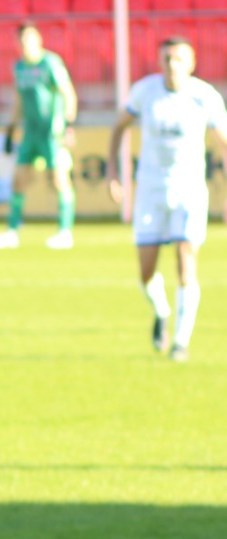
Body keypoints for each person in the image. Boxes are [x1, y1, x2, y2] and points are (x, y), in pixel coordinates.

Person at [108, 36, 227, 362]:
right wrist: (112, 172)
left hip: (189, 190)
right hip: (150, 190)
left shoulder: (205, 96)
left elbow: (224, 143)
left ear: (191, 63)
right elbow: (119, 127)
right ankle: (161, 310)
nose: (172, 65)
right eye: (166, 59)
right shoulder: (144, 92)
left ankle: (180, 342)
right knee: (146, 272)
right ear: (159, 62)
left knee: (186, 263)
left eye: (178, 59)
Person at [0, 23, 78, 251]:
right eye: (20, 41)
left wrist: (68, 126)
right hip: (30, 132)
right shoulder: (19, 68)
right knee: (18, 180)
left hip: (52, 132)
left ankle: (65, 231)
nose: (24, 45)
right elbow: (19, 100)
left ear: (38, 40)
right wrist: (10, 129)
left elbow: (68, 93)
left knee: (58, 179)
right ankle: (12, 231)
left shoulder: (50, 63)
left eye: (28, 39)